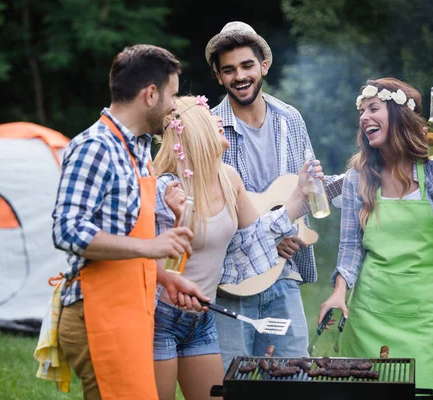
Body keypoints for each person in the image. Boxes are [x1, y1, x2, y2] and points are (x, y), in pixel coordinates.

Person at [51, 45, 210, 400]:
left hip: (133, 313)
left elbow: (122, 235)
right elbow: (67, 229)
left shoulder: (138, 149)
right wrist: (149, 247)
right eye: (171, 94)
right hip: (97, 315)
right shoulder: (95, 147)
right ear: (150, 94)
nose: (173, 107)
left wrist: (164, 276)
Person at [152, 95, 327, 400]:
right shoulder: (166, 187)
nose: (220, 119)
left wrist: (299, 193)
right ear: (193, 131)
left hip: (201, 318)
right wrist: (179, 216)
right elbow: (153, 263)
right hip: (161, 317)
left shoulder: (228, 177)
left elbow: (256, 235)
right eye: (210, 117)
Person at [318, 78, 433, 393]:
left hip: (421, 313)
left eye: (373, 108)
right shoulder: (358, 178)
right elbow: (351, 247)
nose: (364, 117)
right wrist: (339, 291)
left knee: (414, 391)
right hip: (369, 311)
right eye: (362, 111)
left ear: (397, 114)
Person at [205, 21, 340, 369]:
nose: (240, 76)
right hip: (231, 283)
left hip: (282, 276)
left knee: (294, 379)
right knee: (231, 383)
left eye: (247, 65)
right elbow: (210, 211)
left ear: (264, 65)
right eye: (229, 70)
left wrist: (328, 186)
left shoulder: (290, 118)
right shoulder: (208, 128)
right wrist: (269, 237)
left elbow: (306, 189)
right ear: (219, 77)